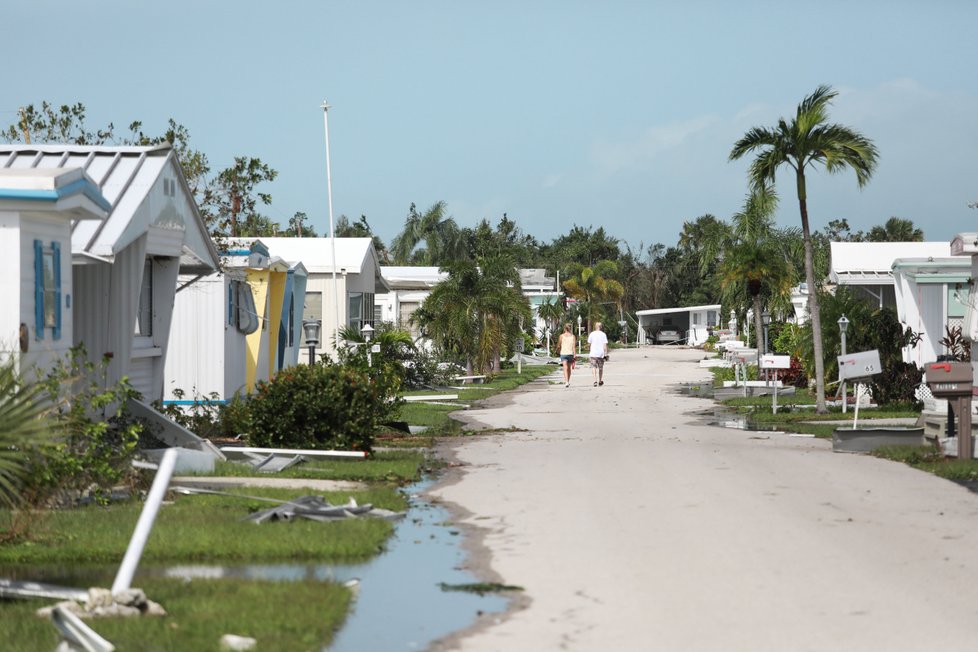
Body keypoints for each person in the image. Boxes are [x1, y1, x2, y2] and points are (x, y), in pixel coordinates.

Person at [587, 321, 609, 387]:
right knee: (600, 368)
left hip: (593, 353)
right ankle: (600, 380)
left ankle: (595, 381)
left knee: (593, 367)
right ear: (601, 327)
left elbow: (589, 343)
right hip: (600, 354)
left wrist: (589, 350)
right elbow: (604, 345)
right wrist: (606, 354)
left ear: (595, 327)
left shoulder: (592, 334)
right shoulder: (603, 334)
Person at [557, 322, 576, 387]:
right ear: (570, 328)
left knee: (565, 367)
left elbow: (559, 345)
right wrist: (575, 354)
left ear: (564, 328)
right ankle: (568, 380)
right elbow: (574, 347)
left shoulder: (561, 336)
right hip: (570, 354)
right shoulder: (573, 336)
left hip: (563, 353)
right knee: (569, 368)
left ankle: (566, 382)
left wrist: (558, 351)